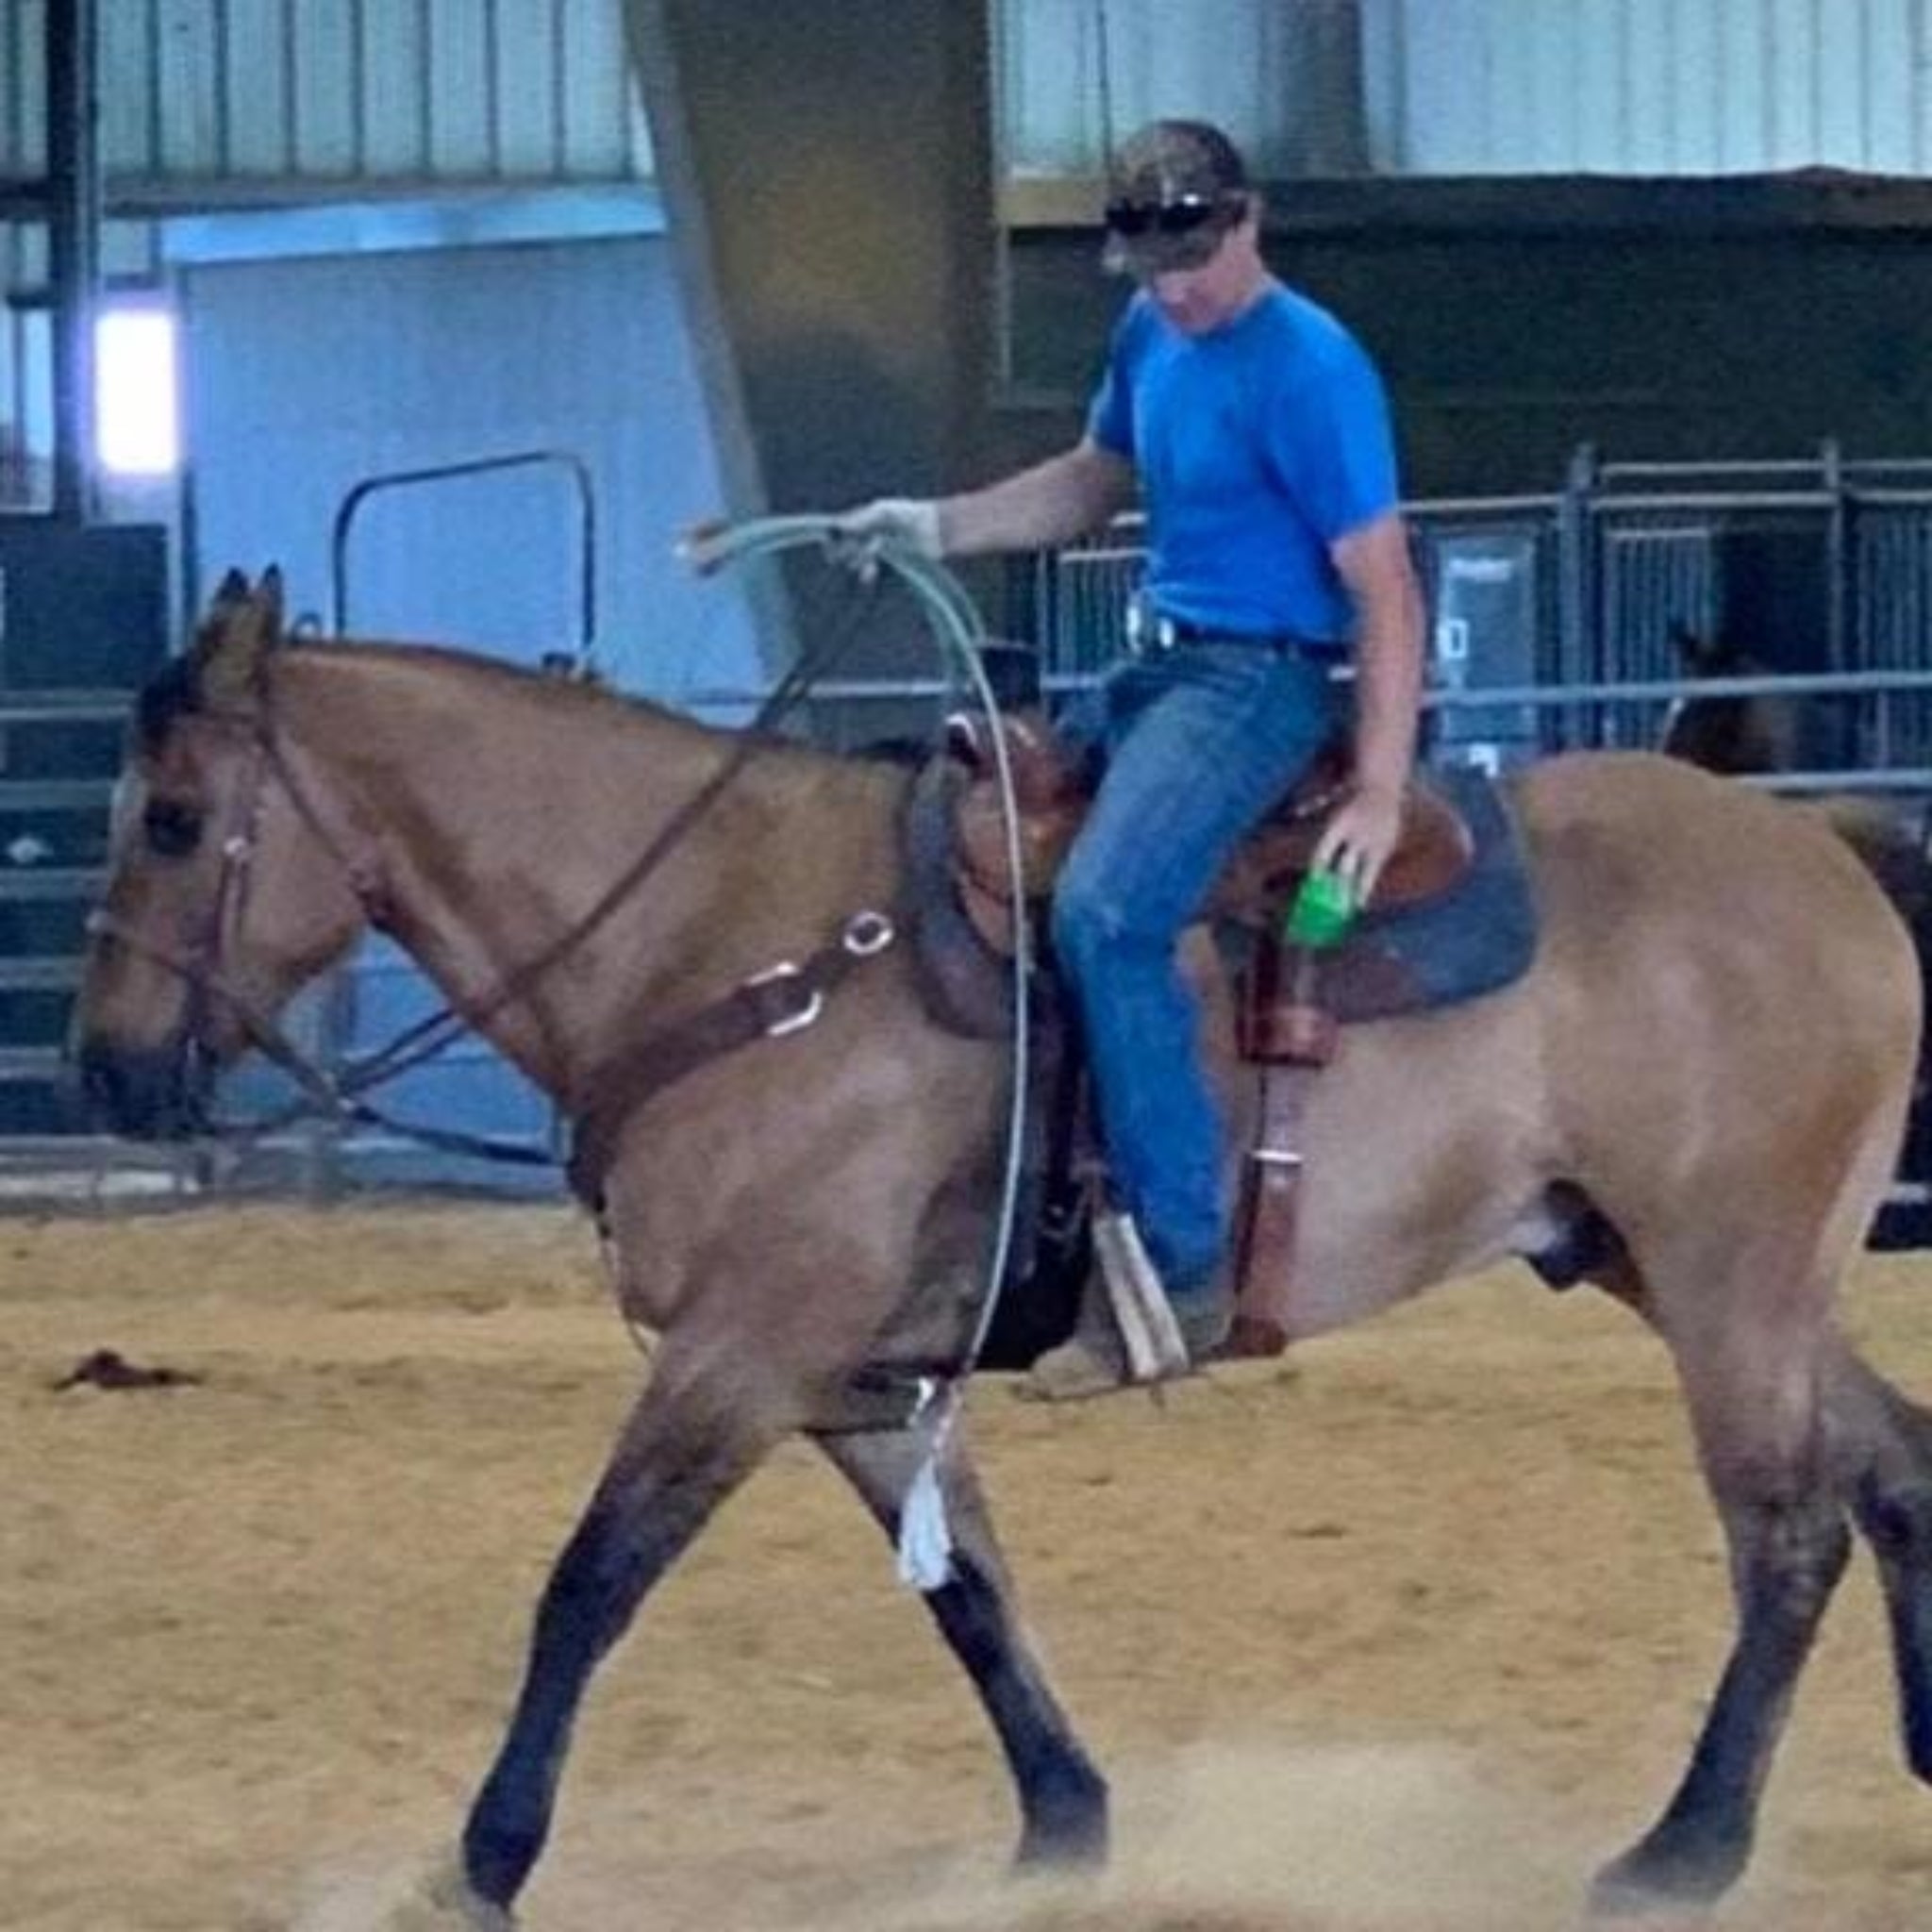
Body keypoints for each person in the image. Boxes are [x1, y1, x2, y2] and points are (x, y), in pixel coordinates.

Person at [841, 119, 1425, 1394]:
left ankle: (1182, 1266)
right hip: (1159, 666)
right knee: (962, 822)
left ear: (1247, 221)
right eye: (1154, 262)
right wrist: (934, 525)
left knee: (1108, 911)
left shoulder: (1312, 368)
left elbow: (1382, 585)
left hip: (1260, 677)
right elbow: (1093, 478)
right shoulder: (1152, 338)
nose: (1173, 285)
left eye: (1194, 256)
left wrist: (1380, 786)